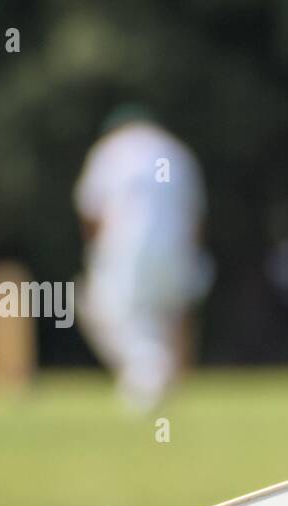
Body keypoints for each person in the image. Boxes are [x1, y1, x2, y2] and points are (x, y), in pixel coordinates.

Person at [74, 106, 213, 410]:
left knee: (102, 305)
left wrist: (98, 252)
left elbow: (92, 211)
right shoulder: (177, 152)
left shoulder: (110, 150)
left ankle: (147, 372)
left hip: (126, 246)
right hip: (176, 246)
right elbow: (194, 216)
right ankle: (164, 381)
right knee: (168, 315)